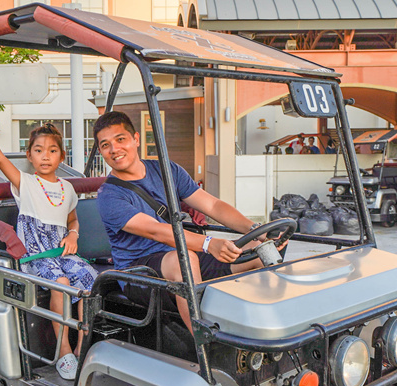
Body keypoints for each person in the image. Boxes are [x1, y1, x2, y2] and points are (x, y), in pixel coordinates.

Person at [95, 111, 278, 334]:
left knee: (259, 251)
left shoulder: (167, 170)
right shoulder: (109, 194)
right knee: (185, 260)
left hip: (180, 254)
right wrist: (208, 243)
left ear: (135, 139)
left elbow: (212, 206)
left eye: (120, 139)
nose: (114, 149)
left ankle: (266, 329)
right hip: (138, 272)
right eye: (105, 145)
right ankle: (205, 345)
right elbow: (156, 231)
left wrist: (255, 230)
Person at [0, 100, 97, 380]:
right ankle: (63, 351)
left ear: (62, 156)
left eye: (52, 151)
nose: (46, 156)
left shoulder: (67, 188)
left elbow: (72, 219)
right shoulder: (25, 183)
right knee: (62, 283)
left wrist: (73, 234)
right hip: (37, 252)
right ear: (29, 156)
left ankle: (83, 348)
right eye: (39, 151)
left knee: (91, 282)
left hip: (62, 249)